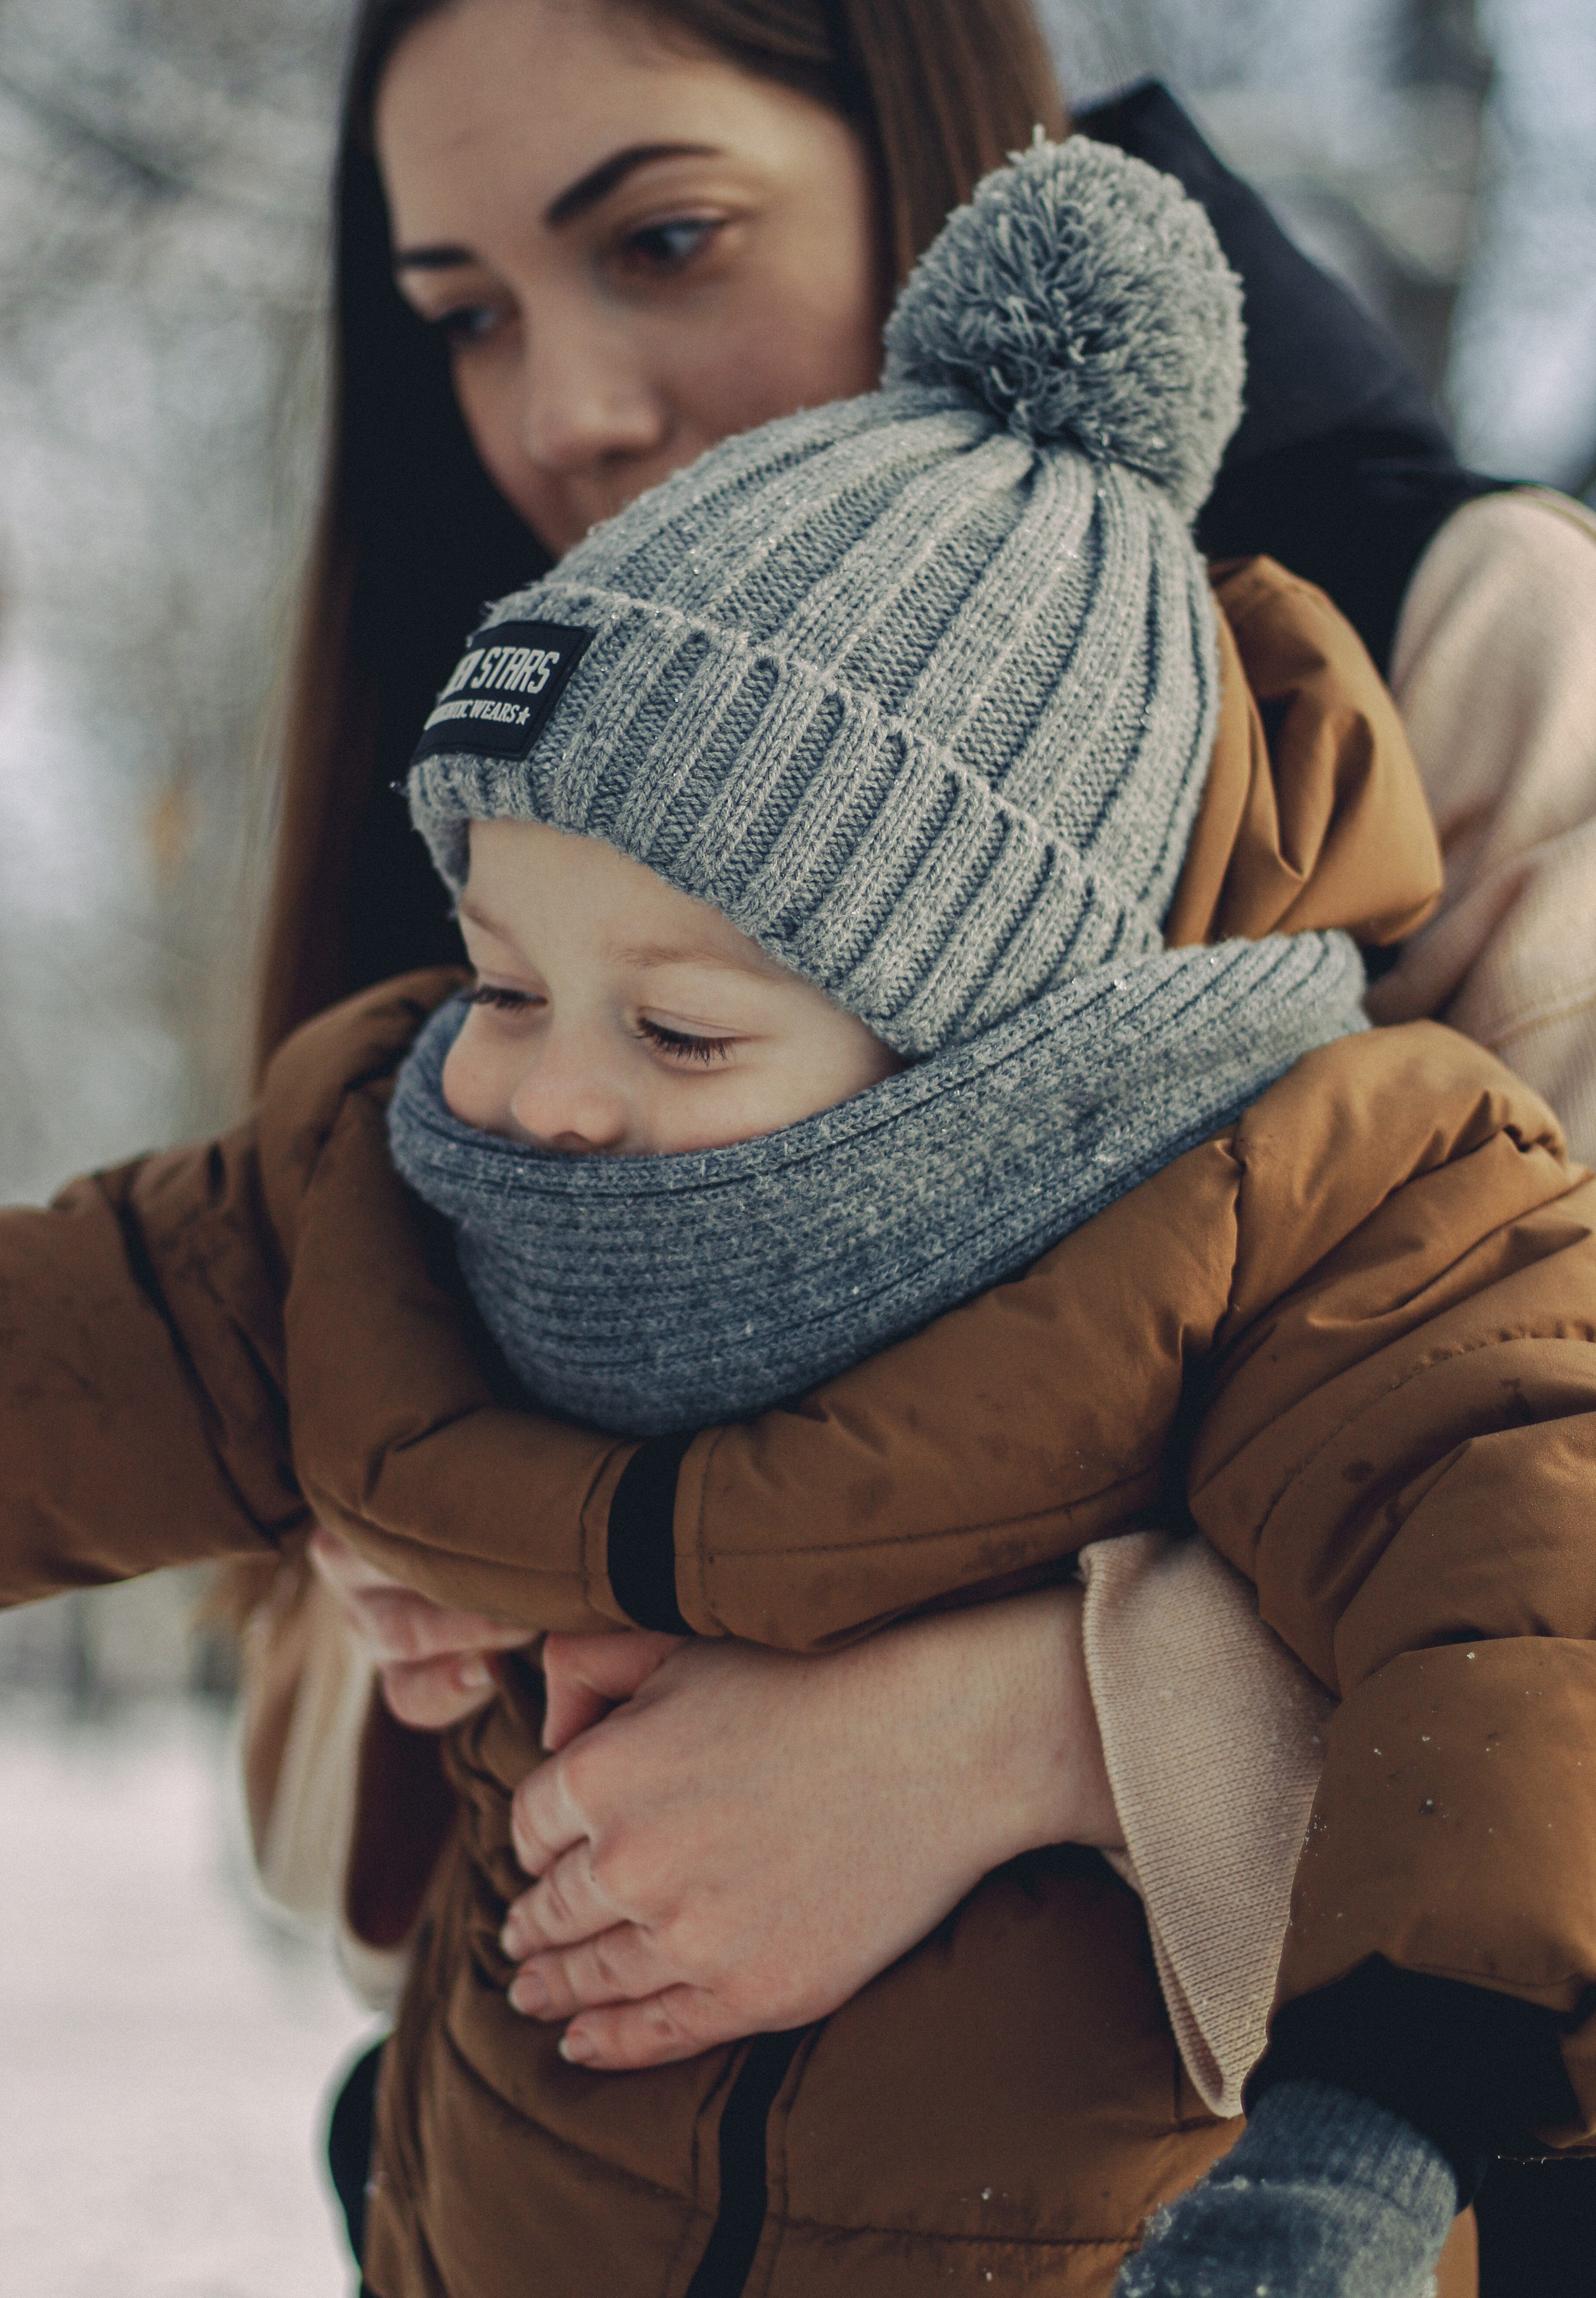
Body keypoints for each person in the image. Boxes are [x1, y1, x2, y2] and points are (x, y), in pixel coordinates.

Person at [7, 135, 1595, 2298]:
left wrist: (1369, 2133)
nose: (542, 1094)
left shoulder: (1292, 1213)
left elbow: (1530, 1601)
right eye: (499, 976)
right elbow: (69, 1355)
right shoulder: (383, 1189)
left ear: (997, 1063)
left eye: (680, 1035)